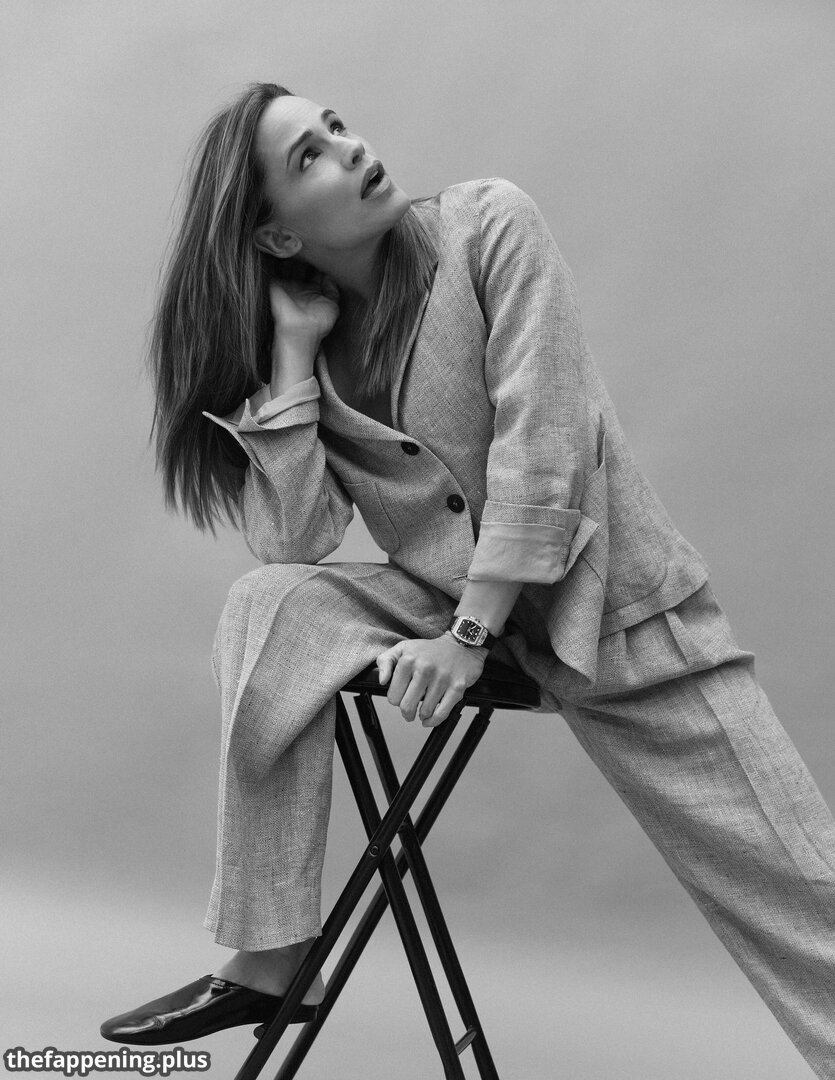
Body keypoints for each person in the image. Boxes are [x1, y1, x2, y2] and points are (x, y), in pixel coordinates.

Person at [100, 82, 835, 1077]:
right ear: (276, 237)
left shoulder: (489, 225)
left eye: (334, 127)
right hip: (446, 602)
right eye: (310, 156)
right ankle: (270, 957)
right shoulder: (315, 344)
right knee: (266, 607)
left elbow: (544, 446)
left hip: (611, 618)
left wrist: (467, 637)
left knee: (806, 897)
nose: (349, 148)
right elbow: (298, 538)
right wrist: (295, 360)